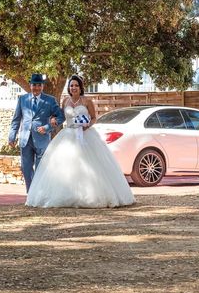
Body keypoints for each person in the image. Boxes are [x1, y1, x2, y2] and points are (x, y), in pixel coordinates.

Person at [26, 75, 135, 208]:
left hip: (86, 135)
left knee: (91, 164)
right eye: (71, 85)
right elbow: (61, 117)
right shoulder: (65, 101)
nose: (74, 88)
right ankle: (67, 194)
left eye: (76, 85)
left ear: (80, 87)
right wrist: (53, 119)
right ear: (69, 87)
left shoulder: (87, 101)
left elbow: (94, 118)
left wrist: (87, 125)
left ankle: (91, 195)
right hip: (68, 135)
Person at [8, 73, 65, 192]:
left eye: (39, 85)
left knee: (40, 169)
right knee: (26, 168)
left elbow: (61, 117)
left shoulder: (50, 100)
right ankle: (31, 193)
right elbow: (16, 119)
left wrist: (48, 127)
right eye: (34, 85)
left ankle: (38, 194)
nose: (36, 88)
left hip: (42, 139)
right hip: (25, 139)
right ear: (30, 85)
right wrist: (12, 136)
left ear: (42, 86)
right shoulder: (22, 99)